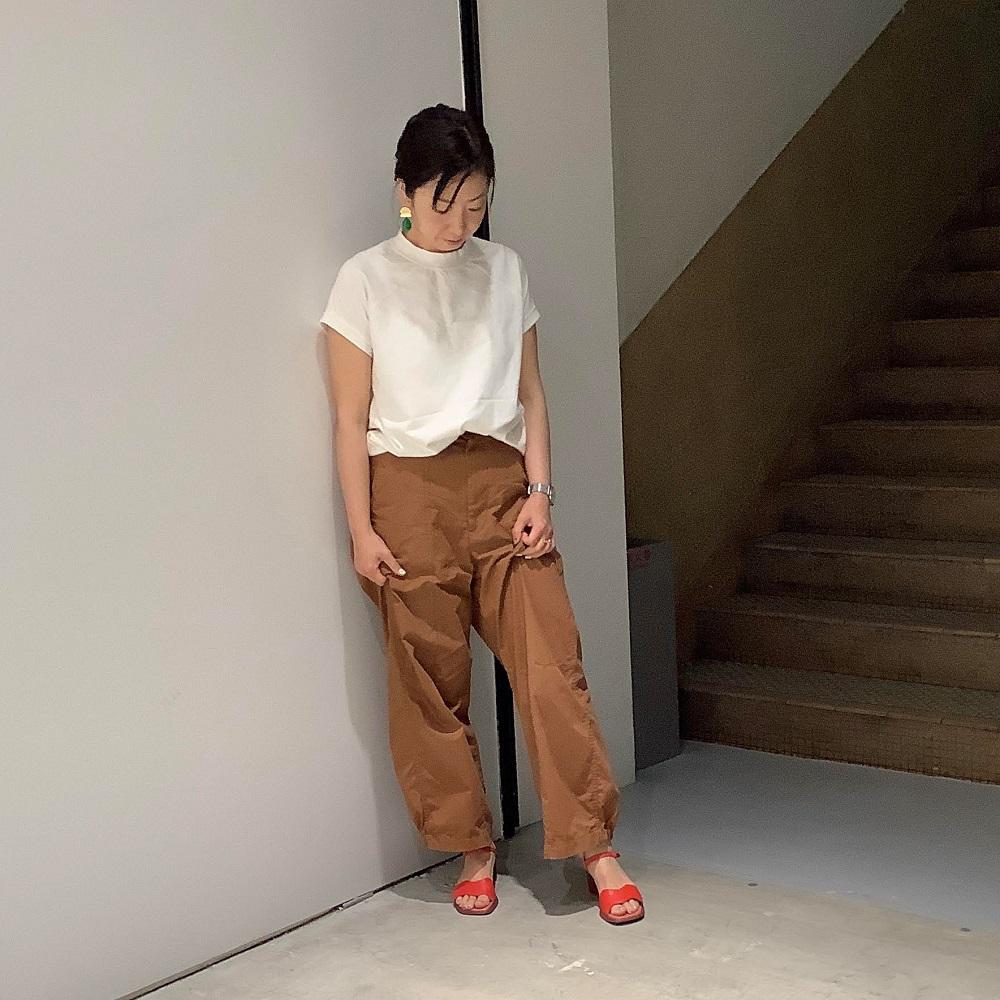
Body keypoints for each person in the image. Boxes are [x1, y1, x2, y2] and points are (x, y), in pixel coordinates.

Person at [321, 104, 644, 926]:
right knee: (428, 683)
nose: (459, 223)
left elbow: (531, 394)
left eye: (475, 204)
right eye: (443, 205)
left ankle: (595, 845)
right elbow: (349, 419)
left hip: (504, 484)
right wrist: (361, 528)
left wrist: (541, 491)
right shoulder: (363, 280)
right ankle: (472, 846)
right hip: (407, 491)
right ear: (403, 191)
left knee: (552, 666)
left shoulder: (505, 272)